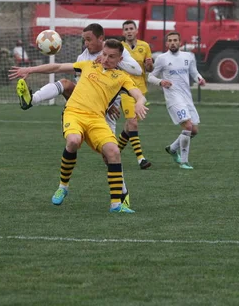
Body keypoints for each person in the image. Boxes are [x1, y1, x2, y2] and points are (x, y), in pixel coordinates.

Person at [8, 39, 148, 213]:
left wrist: (140, 103)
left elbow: (138, 94)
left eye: (111, 57)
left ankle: (116, 205)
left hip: (97, 119)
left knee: (113, 152)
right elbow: (57, 67)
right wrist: (29, 69)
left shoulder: (122, 77)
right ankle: (63, 187)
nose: (105, 59)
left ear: (120, 60)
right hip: (74, 113)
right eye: (104, 54)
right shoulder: (88, 65)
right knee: (73, 140)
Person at [148, 31, 206, 169]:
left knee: (194, 130)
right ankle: (184, 161)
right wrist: (161, 82)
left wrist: (200, 79)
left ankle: (173, 149)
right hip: (173, 98)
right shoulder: (162, 58)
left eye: (175, 40)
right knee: (188, 126)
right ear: (166, 43)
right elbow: (150, 77)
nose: (173, 42)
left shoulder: (188, 56)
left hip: (187, 97)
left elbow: (194, 72)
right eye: (170, 40)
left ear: (180, 42)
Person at [117, 20, 153, 170]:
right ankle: (141, 159)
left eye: (131, 28)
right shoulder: (119, 47)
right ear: (123, 32)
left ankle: (112, 154)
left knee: (128, 126)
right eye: (126, 29)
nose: (129, 31)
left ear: (136, 30)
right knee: (133, 123)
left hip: (140, 92)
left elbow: (149, 68)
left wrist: (150, 65)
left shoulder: (144, 46)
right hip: (125, 90)